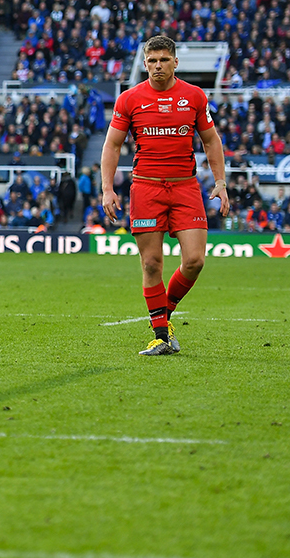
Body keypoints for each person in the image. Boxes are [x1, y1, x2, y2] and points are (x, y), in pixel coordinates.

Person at [99, 35, 230, 356]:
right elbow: (112, 145)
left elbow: (211, 141)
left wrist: (221, 181)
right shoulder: (129, 99)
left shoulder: (195, 96)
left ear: (175, 62)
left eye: (163, 60)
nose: (158, 66)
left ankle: (163, 311)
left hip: (185, 186)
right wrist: (106, 188)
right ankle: (161, 334)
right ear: (144, 64)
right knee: (152, 263)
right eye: (152, 61)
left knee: (195, 260)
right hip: (145, 187)